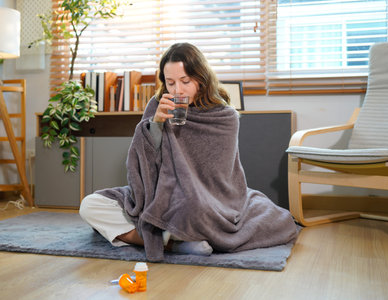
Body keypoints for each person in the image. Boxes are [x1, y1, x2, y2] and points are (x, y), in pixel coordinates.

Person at [79, 43, 297, 261]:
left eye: (185, 81)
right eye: (170, 83)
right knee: (90, 205)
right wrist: (156, 124)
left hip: (203, 197)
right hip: (156, 192)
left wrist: (186, 195)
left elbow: (217, 176)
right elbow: (141, 164)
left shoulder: (225, 116)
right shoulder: (157, 106)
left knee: (204, 209)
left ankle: (174, 235)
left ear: (201, 79)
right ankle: (172, 243)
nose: (177, 91)